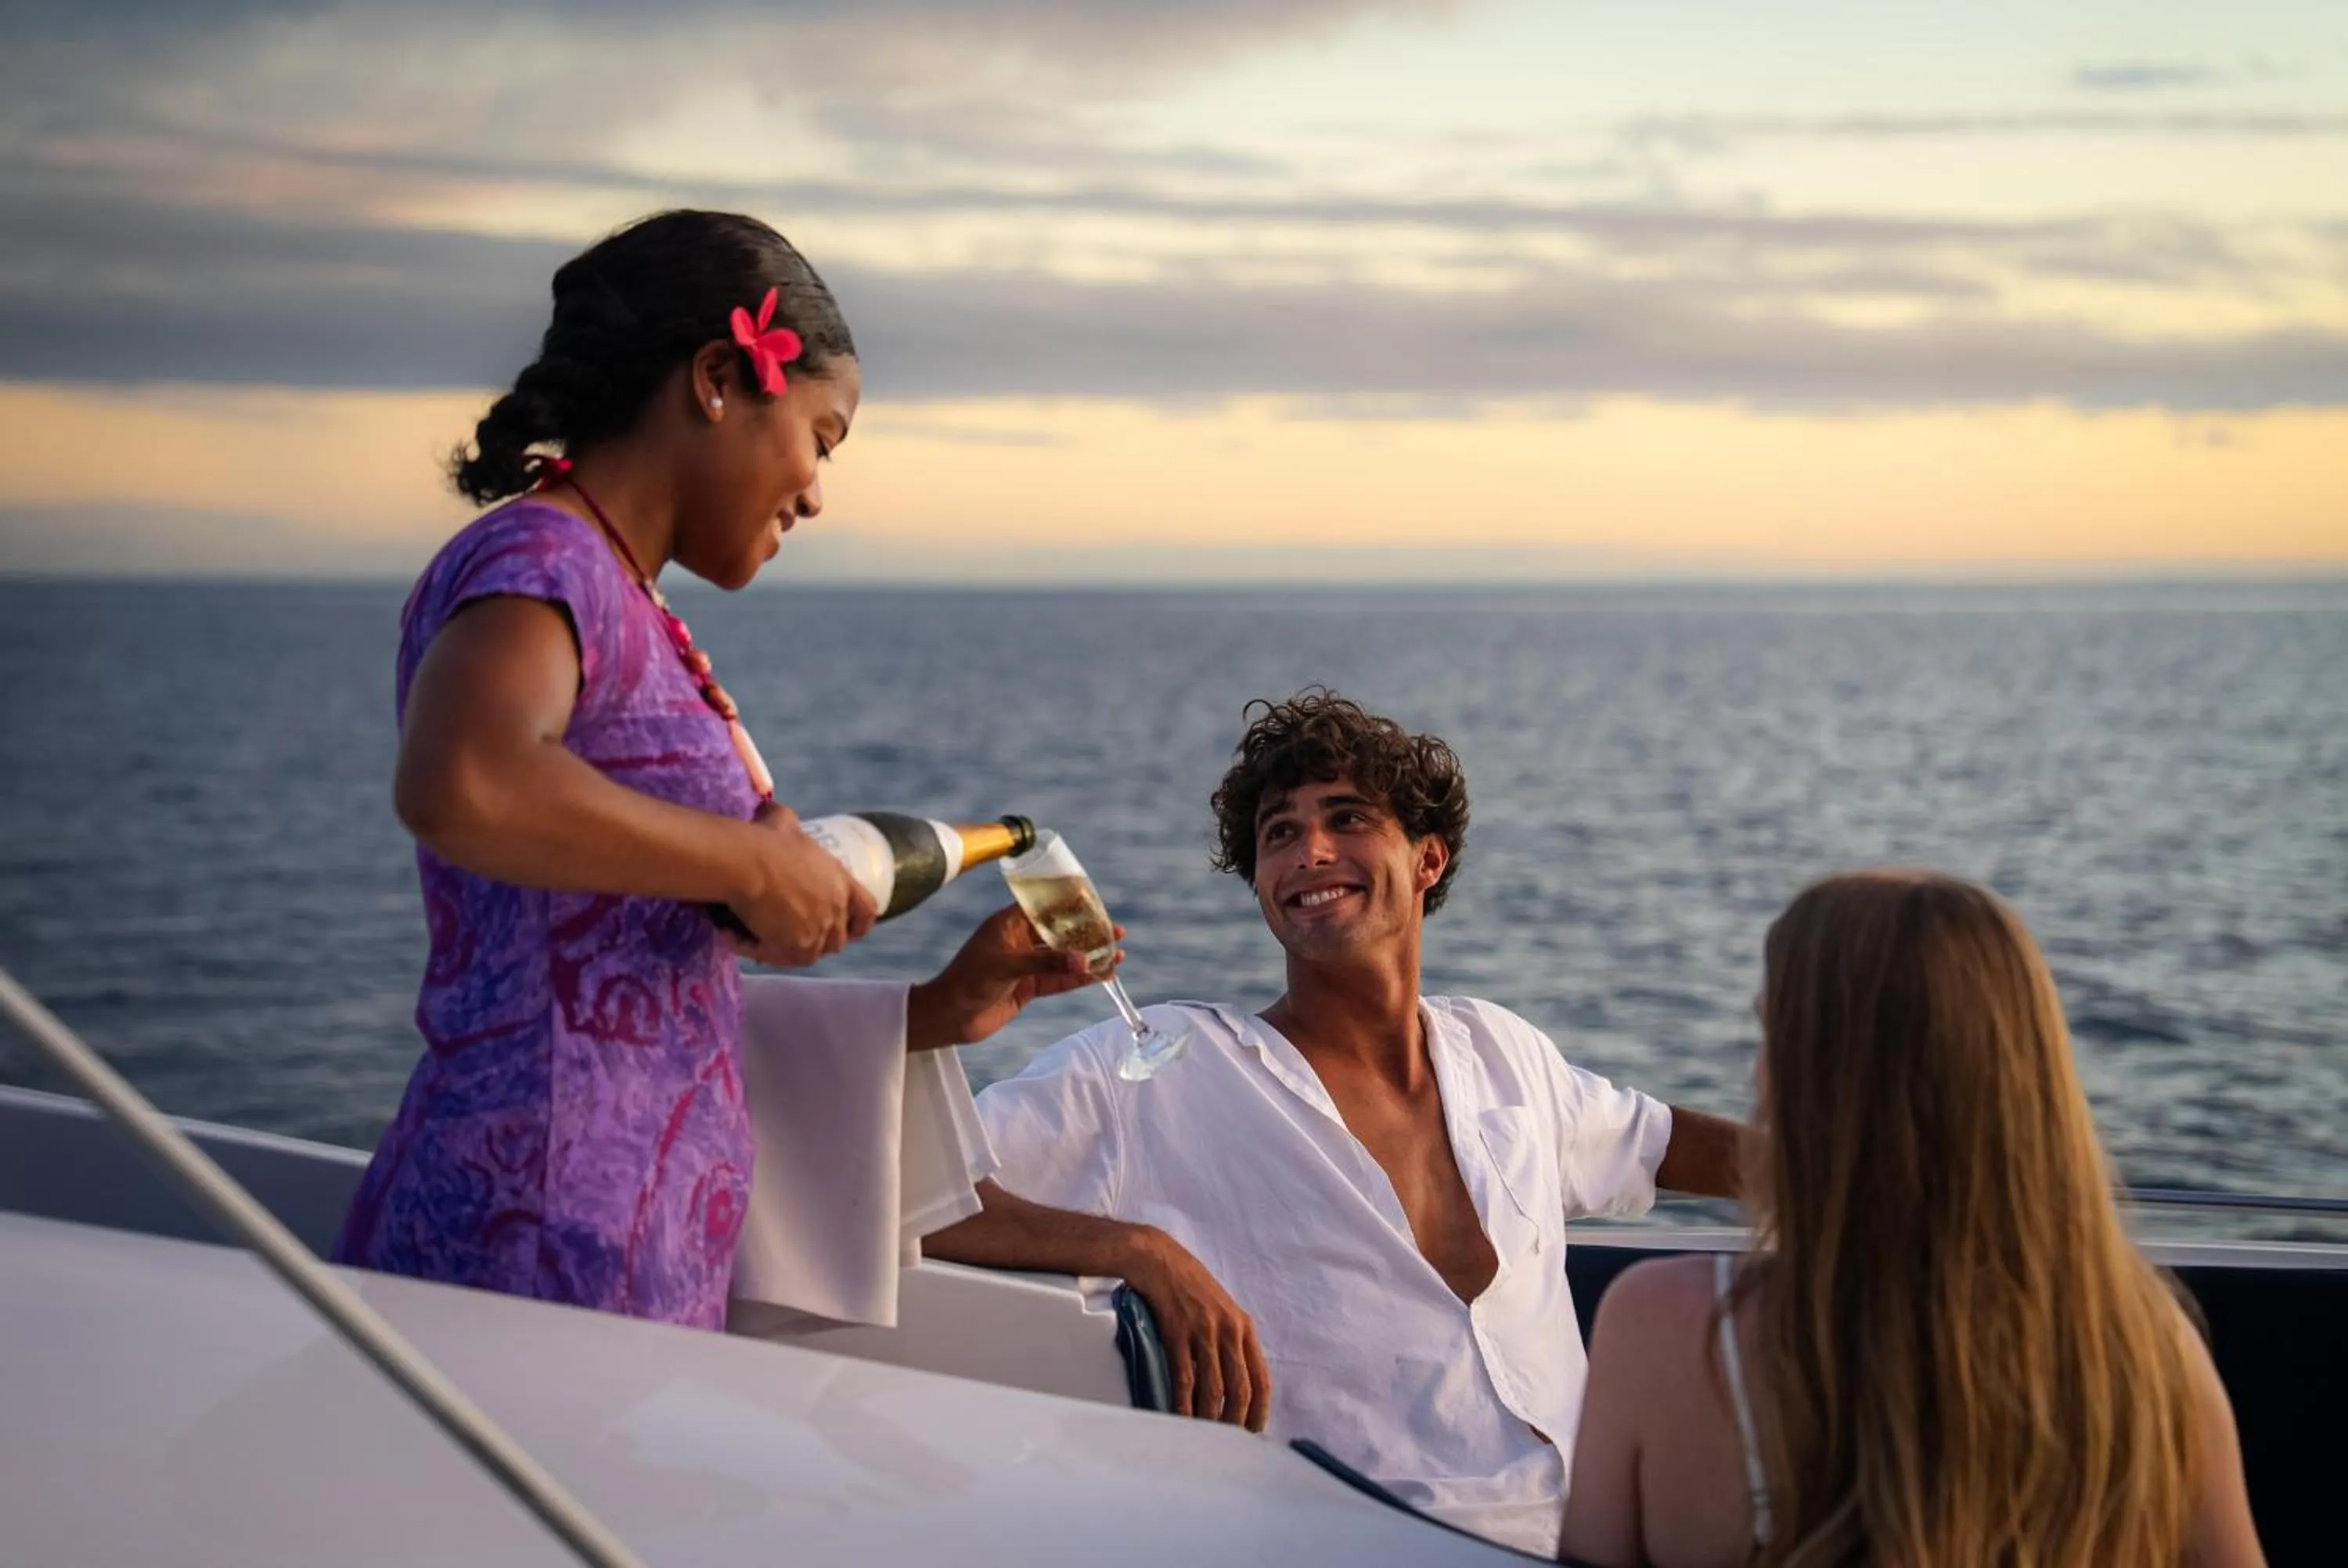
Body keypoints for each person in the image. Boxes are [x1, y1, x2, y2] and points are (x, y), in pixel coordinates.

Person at [335, 210, 1095, 1329]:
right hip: (533, 1247)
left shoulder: (620, 594)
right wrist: (748, 862)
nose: (818, 492)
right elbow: (466, 781)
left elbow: (644, 975)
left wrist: (928, 1009)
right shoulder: (543, 558)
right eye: (822, 439)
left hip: (616, 1260)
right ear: (721, 380)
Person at [927, 690, 1746, 1555]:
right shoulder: (1161, 1071)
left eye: (1346, 819)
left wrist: (1846, 1165)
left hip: (1595, 1532)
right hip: (1367, 1542)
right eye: (1279, 833)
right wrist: (1136, 1249)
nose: (1309, 852)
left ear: (1428, 859)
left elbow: (1662, 1145)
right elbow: (916, 1195)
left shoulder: (1501, 1052)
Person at [1558, 872, 2265, 1568]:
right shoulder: (2146, 1349)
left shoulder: (1666, 1331)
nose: (1758, 1075)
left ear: (1824, 1079)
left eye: (1773, 1035)